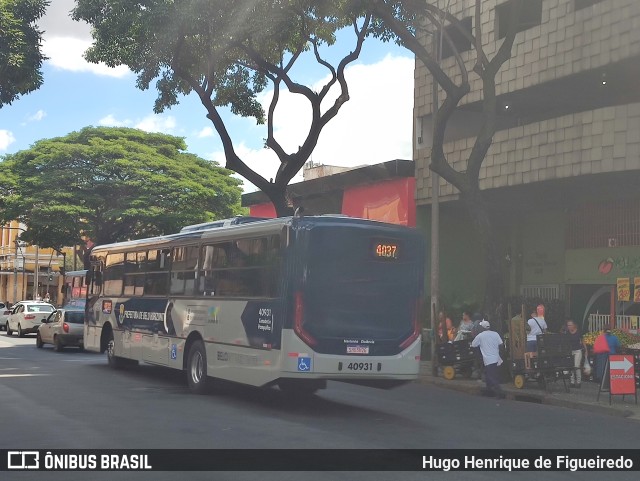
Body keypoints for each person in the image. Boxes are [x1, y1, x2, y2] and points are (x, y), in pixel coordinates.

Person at [471, 320, 506, 398]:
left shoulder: (480, 336)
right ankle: (489, 390)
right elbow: (501, 344)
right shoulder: (495, 334)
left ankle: (499, 392)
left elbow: (473, 345)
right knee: (489, 375)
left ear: (482, 328)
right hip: (496, 358)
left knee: (491, 376)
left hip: (488, 359)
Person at [563, 320, 584, 388]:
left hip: (578, 350)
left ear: (574, 325)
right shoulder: (567, 332)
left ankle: (578, 382)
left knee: (576, 366)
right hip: (570, 351)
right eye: (568, 325)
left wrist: (586, 350)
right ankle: (572, 382)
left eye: (570, 325)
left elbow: (583, 341)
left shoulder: (578, 332)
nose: (569, 327)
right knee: (571, 366)